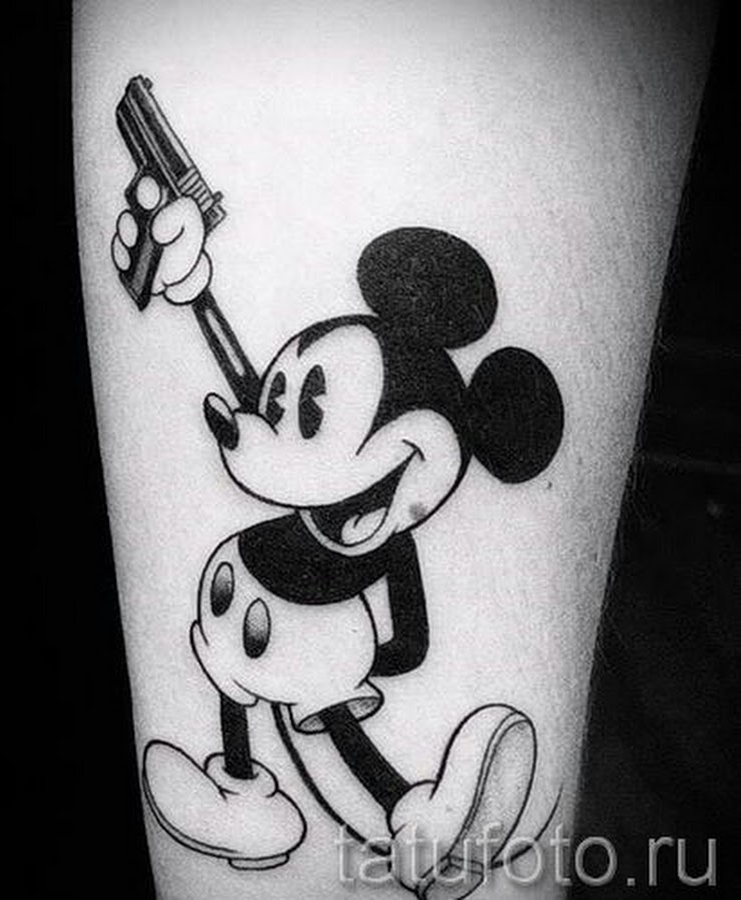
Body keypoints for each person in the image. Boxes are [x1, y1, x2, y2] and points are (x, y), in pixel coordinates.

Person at [73, 2, 716, 896]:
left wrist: (354, 660)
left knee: (338, 738)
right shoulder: (307, 465)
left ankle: (416, 820)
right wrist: (194, 286)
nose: (265, 423)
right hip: (247, 612)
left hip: (313, 645)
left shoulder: (390, 522)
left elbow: (410, 640)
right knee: (246, 698)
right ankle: (238, 794)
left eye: (309, 413)